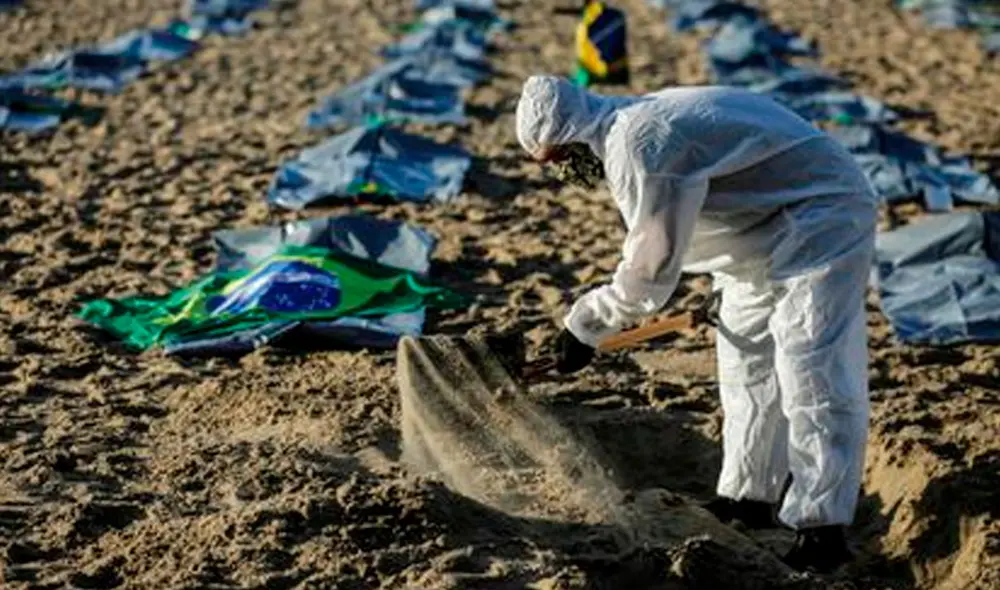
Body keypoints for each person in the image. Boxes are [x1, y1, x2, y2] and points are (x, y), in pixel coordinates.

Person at [515, 74, 877, 574]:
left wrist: (583, 328)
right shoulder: (630, 121)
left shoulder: (638, 143)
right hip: (760, 230)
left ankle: (823, 528)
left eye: (557, 159)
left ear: (570, 135)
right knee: (745, 360)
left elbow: (650, 271)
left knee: (809, 363)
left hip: (823, 213)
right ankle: (747, 499)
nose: (563, 172)